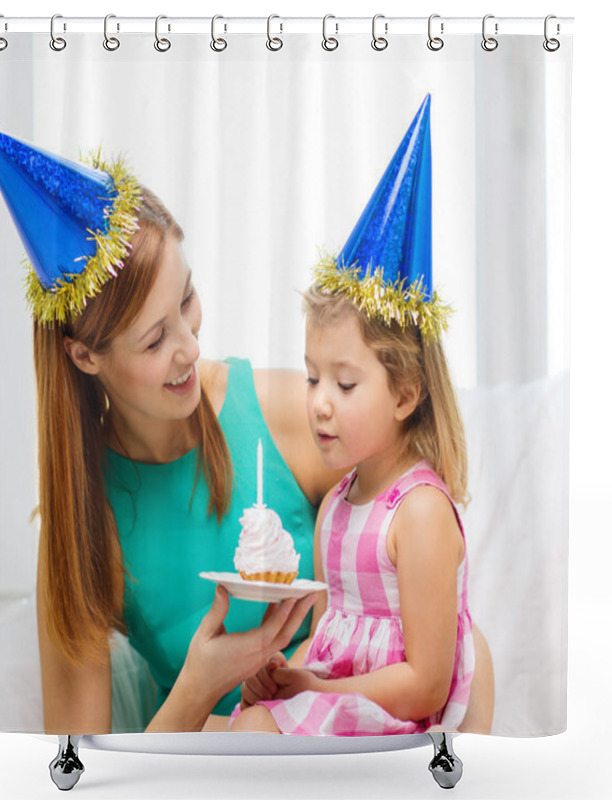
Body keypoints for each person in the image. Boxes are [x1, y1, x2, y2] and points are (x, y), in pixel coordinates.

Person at [0, 117, 493, 736]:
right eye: (155, 338)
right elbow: (81, 767)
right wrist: (200, 688)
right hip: (206, 757)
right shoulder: (85, 518)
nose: (191, 347)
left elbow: (399, 596)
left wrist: (290, 687)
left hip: (335, 729)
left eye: (186, 301)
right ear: (87, 357)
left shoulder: (291, 416)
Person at [232, 95, 491, 735]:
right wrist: (285, 672)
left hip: (402, 721)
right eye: (313, 375)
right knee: (215, 732)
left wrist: (315, 688)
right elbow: (329, 640)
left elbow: (427, 680)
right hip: (349, 701)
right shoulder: (336, 506)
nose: (317, 399)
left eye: (345, 383)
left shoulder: (421, 514)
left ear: (405, 394)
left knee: (248, 739)